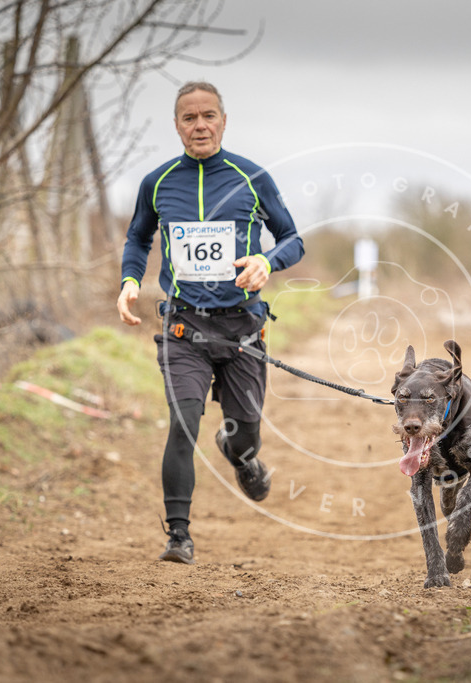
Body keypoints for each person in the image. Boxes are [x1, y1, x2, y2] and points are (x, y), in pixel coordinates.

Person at [117, 81, 304, 564]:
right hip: (184, 329)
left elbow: (292, 238)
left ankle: (240, 453)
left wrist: (267, 261)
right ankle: (178, 535)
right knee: (183, 423)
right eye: (189, 118)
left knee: (245, 434)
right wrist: (129, 280)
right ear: (177, 125)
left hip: (242, 329)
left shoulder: (252, 177)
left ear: (223, 121)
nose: (199, 125)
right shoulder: (157, 182)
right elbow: (138, 238)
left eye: (208, 116)